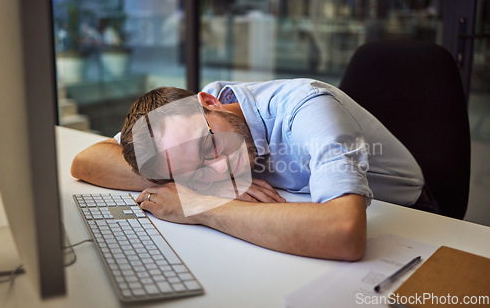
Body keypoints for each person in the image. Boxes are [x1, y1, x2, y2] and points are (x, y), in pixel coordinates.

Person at [71, 79, 432, 261]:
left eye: (207, 146)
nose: (216, 167)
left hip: (414, 221)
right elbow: (87, 161)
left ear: (210, 103)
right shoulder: (183, 123)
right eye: (192, 171)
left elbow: (344, 233)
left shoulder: (307, 109)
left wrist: (200, 205)